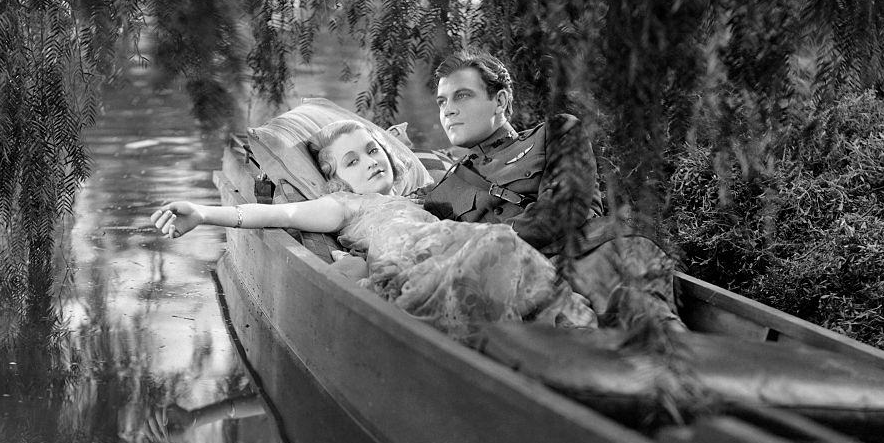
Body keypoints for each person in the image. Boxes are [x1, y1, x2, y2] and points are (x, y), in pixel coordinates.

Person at [151, 120, 597, 343]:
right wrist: (203, 214)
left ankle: (572, 342)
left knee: (510, 254)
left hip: (458, 244)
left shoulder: (423, 191)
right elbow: (277, 217)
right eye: (353, 161)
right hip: (417, 261)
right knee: (495, 251)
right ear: (338, 179)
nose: (370, 162)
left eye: (372, 149)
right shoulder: (343, 204)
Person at [423, 48, 683, 330]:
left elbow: (564, 208)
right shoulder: (441, 195)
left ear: (499, 101)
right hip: (521, 297)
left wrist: (493, 244)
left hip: (597, 261)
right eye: (442, 101)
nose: (448, 109)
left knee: (660, 335)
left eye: (462, 95)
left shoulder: (557, 132)